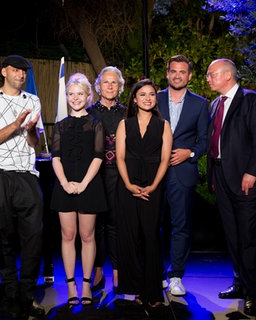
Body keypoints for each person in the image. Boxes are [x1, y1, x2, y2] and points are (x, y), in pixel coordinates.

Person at [0, 54, 46, 319]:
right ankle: (10, 295)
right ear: (4, 71)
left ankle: (27, 296)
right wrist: (16, 124)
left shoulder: (33, 100)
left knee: (34, 237)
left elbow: (34, 144)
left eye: (24, 71)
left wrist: (30, 130)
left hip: (27, 174)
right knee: (2, 236)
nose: (21, 75)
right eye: (16, 70)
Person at [206, 58, 256, 316]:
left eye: (212, 74)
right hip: (221, 177)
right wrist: (213, 175)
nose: (208, 79)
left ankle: (252, 295)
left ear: (227, 76)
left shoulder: (251, 100)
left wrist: (253, 172)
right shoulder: (215, 104)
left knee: (247, 238)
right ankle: (240, 283)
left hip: (245, 179)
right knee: (232, 236)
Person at [50, 73, 106, 305]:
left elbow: (98, 156)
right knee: (68, 235)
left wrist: (83, 183)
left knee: (87, 236)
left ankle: (86, 285)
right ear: (67, 96)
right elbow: (56, 157)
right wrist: (64, 183)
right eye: (71, 94)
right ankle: (71, 286)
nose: (75, 98)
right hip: (64, 185)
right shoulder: (60, 126)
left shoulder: (95, 124)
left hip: (89, 185)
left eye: (80, 93)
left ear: (88, 95)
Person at [115, 78, 172, 308]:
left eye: (151, 94)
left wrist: (153, 186)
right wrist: (128, 184)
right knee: (131, 237)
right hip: (127, 186)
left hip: (153, 186)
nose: (147, 98)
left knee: (150, 237)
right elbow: (119, 157)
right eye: (142, 95)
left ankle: (153, 292)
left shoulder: (163, 125)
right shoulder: (124, 124)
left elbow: (165, 159)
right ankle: (137, 289)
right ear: (135, 100)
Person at [157, 55, 209, 296]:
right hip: (153, 173)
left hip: (182, 173)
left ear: (189, 76)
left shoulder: (200, 104)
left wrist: (190, 153)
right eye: (173, 71)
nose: (177, 75)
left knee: (181, 226)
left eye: (182, 72)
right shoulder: (153, 98)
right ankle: (155, 273)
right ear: (167, 74)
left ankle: (176, 275)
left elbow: (205, 140)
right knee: (153, 225)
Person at [87, 66, 126, 293]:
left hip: (119, 175)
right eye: (106, 82)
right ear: (98, 86)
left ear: (119, 87)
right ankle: (98, 270)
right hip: (95, 175)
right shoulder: (90, 112)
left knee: (116, 224)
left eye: (114, 83)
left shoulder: (126, 113)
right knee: (97, 225)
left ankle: (118, 272)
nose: (110, 86)